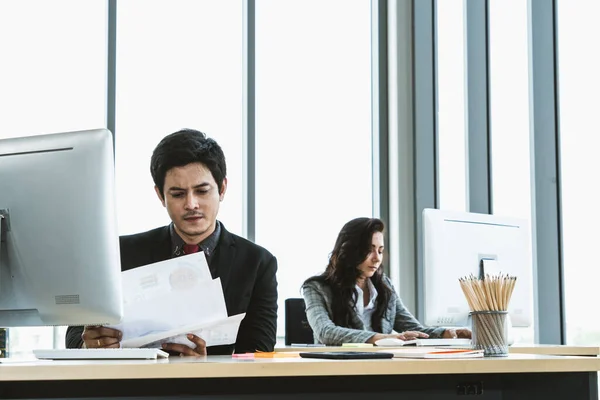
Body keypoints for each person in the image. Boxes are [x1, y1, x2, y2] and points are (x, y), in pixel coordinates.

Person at [65, 129, 278, 355]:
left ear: (222, 188)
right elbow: (75, 335)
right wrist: (88, 344)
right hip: (134, 385)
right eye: (177, 194)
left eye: (202, 191)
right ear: (160, 195)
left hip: (216, 389)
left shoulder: (257, 263)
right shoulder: (120, 253)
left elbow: (259, 351)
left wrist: (208, 367)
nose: (191, 204)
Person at [302, 217, 470, 345]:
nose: (377, 259)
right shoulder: (316, 288)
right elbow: (326, 332)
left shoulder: (384, 286)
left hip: (381, 369)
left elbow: (415, 330)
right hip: (339, 371)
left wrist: (449, 332)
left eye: (380, 251)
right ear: (349, 250)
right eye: (369, 250)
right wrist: (385, 338)